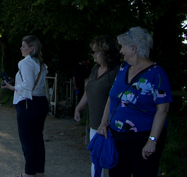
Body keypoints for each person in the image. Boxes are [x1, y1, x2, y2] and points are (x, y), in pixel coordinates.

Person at [97, 27, 172, 177]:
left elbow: (162, 110)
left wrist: (152, 141)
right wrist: (104, 123)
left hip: (142, 139)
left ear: (134, 48)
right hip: (118, 138)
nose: (121, 51)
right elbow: (112, 97)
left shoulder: (157, 74)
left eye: (123, 46)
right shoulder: (123, 68)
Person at [1, 35, 49, 177]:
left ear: (31, 48)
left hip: (28, 103)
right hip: (41, 102)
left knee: (27, 139)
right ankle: (39, 170)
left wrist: (12, 87)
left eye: (23, 45)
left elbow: (27, 85)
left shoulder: (25, 63)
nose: (21, 48)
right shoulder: (40, 63)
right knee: (37, 138)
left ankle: (29, 173)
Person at [74, 35, 121, 177]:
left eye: (95, 51)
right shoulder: (95, 69)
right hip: (94, 123)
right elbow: (89, 91)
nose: (93, 55)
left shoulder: (117, 72)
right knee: (95, 160)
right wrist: (79, 107)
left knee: (109, 160)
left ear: (105, 52)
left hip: (109, 127)